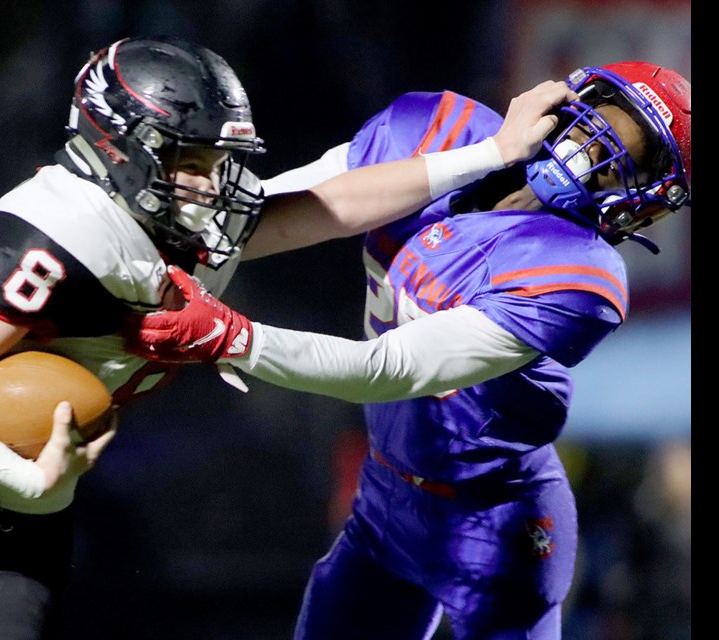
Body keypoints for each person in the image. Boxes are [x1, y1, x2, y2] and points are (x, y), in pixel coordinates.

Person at [0, 32, 570, 639]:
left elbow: (331, 204)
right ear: (120, 147)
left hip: (23, 527)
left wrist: (492, 153)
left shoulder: (183, 222)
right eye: (192, 163)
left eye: (220, 162)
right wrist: (26, 478)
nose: (214, 185)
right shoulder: (64, 231)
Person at [126, 61, 691, 639]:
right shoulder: (438, 128)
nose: (595, 152)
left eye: (633, 156)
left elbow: (390, 369)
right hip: (385, 495)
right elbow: (258, 218)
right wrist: (128, 234)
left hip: (493, 523)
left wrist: (233, 337)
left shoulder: (578, 277)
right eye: (599, 121)